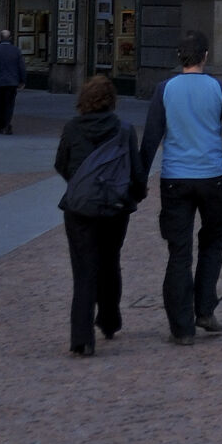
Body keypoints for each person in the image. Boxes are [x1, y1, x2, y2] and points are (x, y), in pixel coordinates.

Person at [138, 30, 222, 345]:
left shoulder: (164, 89)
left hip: (175, 178)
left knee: (179, 253)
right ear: (205, 56)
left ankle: (181, 328)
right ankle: (205, 309)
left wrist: (140, 180)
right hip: (212, 177)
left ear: (179, 57)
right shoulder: (219, 88)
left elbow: (151, 138)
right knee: (212, 244)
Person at [54, 74, 145, 355]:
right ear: (112, 101)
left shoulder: (72, 128)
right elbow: (136, 172)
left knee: (83, 270)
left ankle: (81, 338)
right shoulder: (124, 129)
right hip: (114, 206)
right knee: (109, 261)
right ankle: (108, 320)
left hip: (80, 208)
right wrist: (134, 195)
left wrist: (80, 184)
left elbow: (61, 164)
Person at [0, 30, 26, 133]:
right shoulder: (16, 50)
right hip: (12, 81)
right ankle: (6, 124)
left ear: (0, 38)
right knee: (9, 104)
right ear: (10, 38)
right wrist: (23, 81)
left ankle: (0, 124)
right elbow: (21, 67)